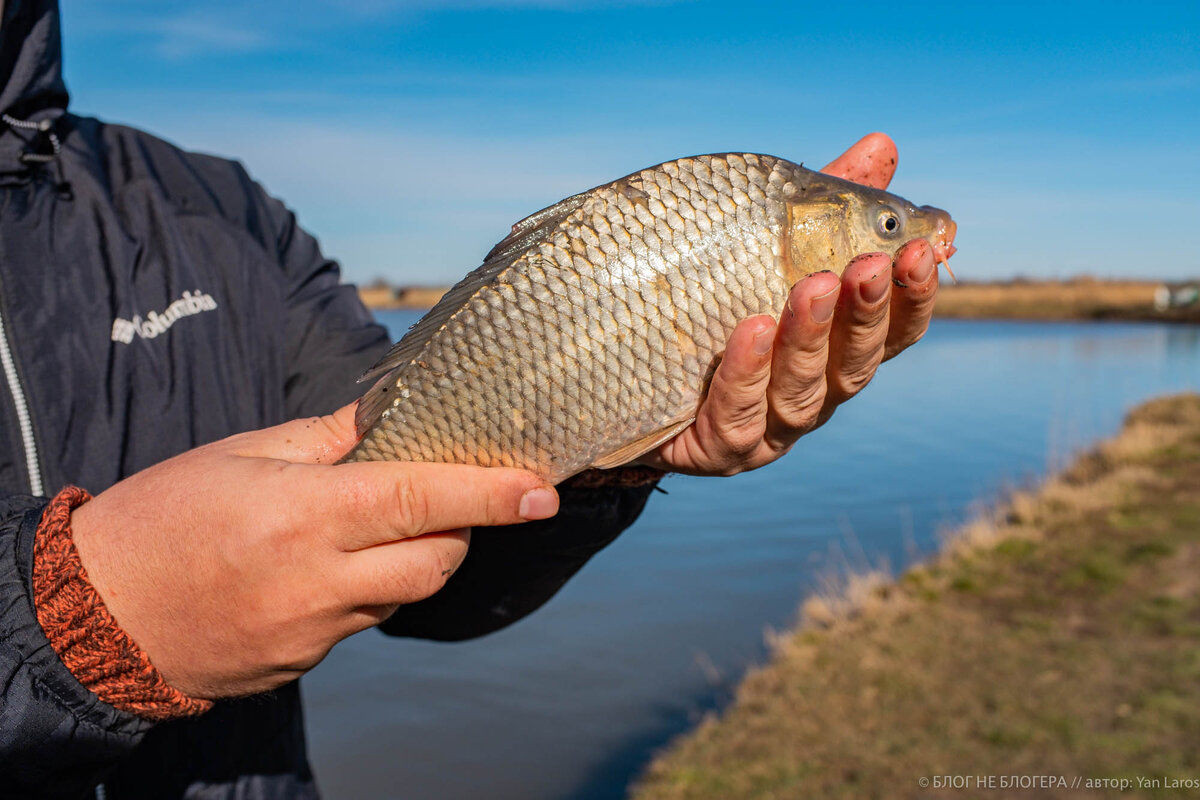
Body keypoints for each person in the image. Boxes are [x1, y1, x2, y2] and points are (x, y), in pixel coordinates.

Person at [0, 1, 940, 797]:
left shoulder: (215, 206)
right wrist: (65, 620)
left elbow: (427, 564)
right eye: (886, 228)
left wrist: (612, 456)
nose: (903, 237)